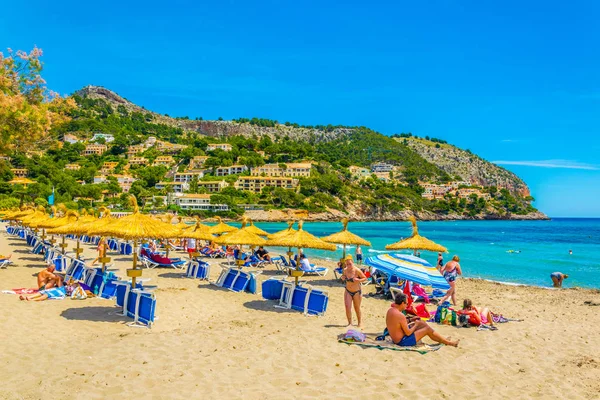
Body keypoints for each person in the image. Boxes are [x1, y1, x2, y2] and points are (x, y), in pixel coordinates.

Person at [387, 293, 459, 347]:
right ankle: (449, 343)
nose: (406, 306)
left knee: (422, 323)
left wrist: (411, 319)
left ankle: (443, 339)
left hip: (397, 338)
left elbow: (397, 323)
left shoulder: (390, 311)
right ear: (402, 303)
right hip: (402, 341)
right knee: (426, 329)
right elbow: (408, 333)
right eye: (406, 304)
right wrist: (416, 325)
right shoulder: (400, 315)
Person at [341, 255, 367, 329]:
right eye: (347, 264)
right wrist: (343, 278)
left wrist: (358, 280)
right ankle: (350, 323)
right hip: (348, 291)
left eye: (350, 264)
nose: (348, 265)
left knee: (357, 308)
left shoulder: (357, 270)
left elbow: (365, 278)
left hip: (357, 292)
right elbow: (343, 277)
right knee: (347, 307)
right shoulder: (345, 270)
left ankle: (359, 322)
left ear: (353, 262)